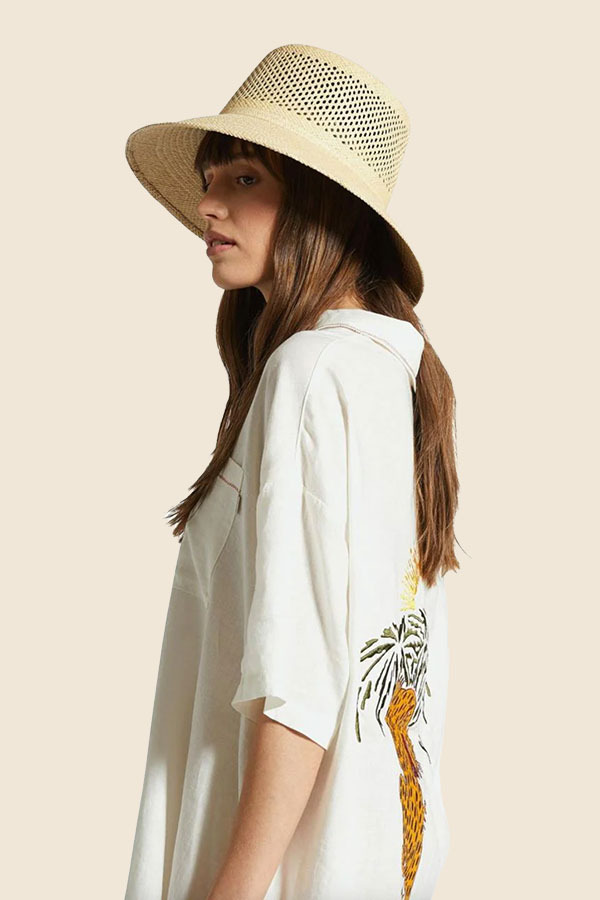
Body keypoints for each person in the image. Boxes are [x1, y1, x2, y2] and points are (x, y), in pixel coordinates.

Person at [123, 43, 460, 900]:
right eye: (211, 178)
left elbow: (298, 687)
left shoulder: (311, 373)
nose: (209, 203)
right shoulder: (388, 375)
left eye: (244, 178)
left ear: (319, 203)